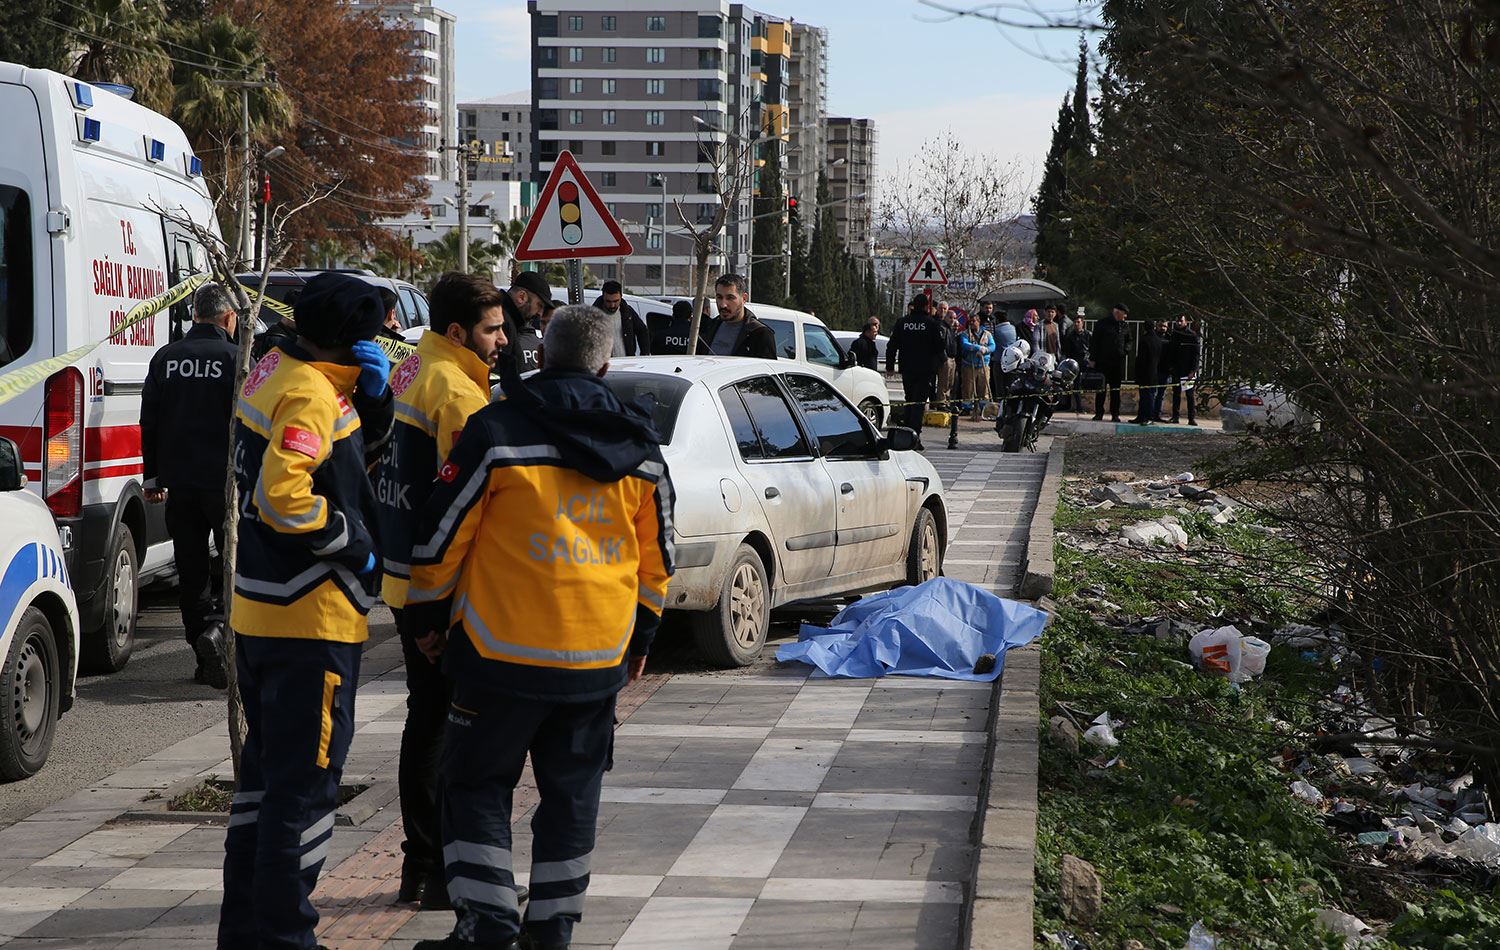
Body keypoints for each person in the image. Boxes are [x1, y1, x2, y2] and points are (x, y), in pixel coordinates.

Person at [403, 305, 674, 950]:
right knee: (573, 801)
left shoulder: (495, 432)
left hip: (497, 658)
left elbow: (443, 537)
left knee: (474, 789)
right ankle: (552, 932)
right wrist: (641, 636)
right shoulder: (640, 448)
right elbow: (660, 555)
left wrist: (427, 618)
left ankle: (489, 929)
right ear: (605, 365)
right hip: (595, 660)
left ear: (540, 355)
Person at [219, 273, 393, 950]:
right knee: (305, 794)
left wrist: (371, 405)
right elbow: (285, 496)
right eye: (374, 336)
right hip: (308, 620)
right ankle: (287, 938)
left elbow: (339, 467)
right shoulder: (308, 393)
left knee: (262, 795)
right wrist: (355, 549)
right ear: (349, 340)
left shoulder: (276, 366)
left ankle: (244, 936)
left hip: (263, 613)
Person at [374, 272, 509, 910]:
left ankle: (422, 867)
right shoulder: (456, 394)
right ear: (458, 333)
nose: (504, 340)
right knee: (450, 728)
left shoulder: (412, 369)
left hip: (403, 579)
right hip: (442, 589)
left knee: (425, 721)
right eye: (492, 329)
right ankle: (439, 868)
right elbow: (463, 509)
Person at [140, 282, 239, 688]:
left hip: (179, 487)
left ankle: (202, 650)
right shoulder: (236, 358)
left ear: (195, 314)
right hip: (225, 486)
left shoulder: (166, 358)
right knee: (233, 570)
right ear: (229, 317)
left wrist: (153, 476)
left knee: (192, 572)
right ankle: (221, 639)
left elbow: (150, 421)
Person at [885, 294, 944, 446]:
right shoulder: (931, 324)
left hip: (907, 369)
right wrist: (937, 366)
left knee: (910, 401)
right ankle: (914, 437)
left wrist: (890, 366)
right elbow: (940, 347)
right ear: (926, 307)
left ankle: (907, 435)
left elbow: (891, 345)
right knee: (918, 404)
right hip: (925, 370)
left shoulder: (902, 323)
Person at [697, 273, 777, 358]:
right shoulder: (709, 327)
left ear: (744, 298)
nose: (723, 304)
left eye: (730, 298)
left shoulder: (760, 334)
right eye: (719, 297)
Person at [497, 272, 552, 375]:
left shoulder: (506, 318)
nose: (540, 313)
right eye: (539, 305)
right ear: (521, 297)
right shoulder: (503, 320)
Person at [1091, 304, 1131, 421]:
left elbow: (1129, 341)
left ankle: (1115, 414)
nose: (1125, 316)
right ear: (1117, 312)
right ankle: (1099, 413)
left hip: (1117, 363)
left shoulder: (1124, 326)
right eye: (1123, 314)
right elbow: (1094, 342)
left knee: (1115, 390)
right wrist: (1093, 359)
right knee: (1101, 389)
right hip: (1102, 361)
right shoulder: (1102, 324)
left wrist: (1125, 351)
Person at [593, 280, 651, 357]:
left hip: (626, 361)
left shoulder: (627, 312)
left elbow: (643, 331)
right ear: (603, 297)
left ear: (621, 296)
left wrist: (645, 354)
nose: (612, 305)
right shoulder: (593, 315)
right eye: (608, 301)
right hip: (603, 363)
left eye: (616, 301)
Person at [1129, 320, 1168, 425]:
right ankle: (1146, 416)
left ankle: (1145, 416)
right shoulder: (1158, 340)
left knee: (1146, 396)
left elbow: (1141, 358)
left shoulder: (1145, 339)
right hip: (1154, 371)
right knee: (1149, 395)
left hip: (1145, 372)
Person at [958, 314, 995, 421]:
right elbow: (965, 344)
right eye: (970, 321)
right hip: (969, 365)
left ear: (979, 322)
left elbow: (993, 346)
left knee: (983, 388)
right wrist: (978, 347)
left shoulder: (987, 334)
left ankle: (984, 408)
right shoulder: (965, 334)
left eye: (974, 321)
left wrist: (986, 350)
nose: (972, 323)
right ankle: (967, 407)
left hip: (983, 365)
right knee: (968, 387)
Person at [1166, 315, 1201, 425]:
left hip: (1188, 370)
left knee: (1189, 395)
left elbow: (1196, 355)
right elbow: (1170, 352)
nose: (1179, 323)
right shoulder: (1174, 335)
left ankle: (1191, 418)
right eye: (1177, 321)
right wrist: (1171, 367)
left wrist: (1193, 370)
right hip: (1177, 369)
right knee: (1176, 394)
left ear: (1186, 322)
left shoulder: (1191, 335)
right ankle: (1175, 417)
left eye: (1181, 321)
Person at [1061, 313, 1091, 412]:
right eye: (1075, 322)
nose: (1077, 324)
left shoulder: (1088, 335)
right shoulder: (1070, 336)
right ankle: (1077, 407)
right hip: (1075, 363)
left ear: (1082, 323)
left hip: (1086, 362)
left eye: (1079, 322)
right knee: (1075, 385)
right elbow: (1067, 351)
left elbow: (1092, 348)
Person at [936, 308, 960, 409]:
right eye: (950, 317)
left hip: (952, 358)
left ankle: (947, 401)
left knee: (950, 382)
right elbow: (941, 344)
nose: (952, 320)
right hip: (946, 358)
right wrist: (944, 358)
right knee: (944, 382)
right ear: (945, 317)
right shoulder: (942, 327)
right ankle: (941, 402)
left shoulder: (951, 329)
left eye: (954, 318)